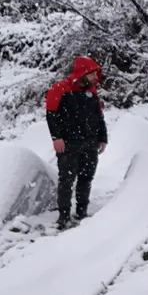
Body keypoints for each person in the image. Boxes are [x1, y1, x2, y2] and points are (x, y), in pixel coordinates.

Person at [46, 57, 108, 230]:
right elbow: (52, 116)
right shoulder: (60, 90)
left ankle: (82, 212)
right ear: (83, 74)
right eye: (93, 74)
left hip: (90, 143)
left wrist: (102, 138)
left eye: (96, 73)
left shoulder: (92, 92)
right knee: (66, 180)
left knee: (86, 178)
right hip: (69, 144)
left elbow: (99, 117)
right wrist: (56, 137)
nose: (96, 77)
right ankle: (63, 216)